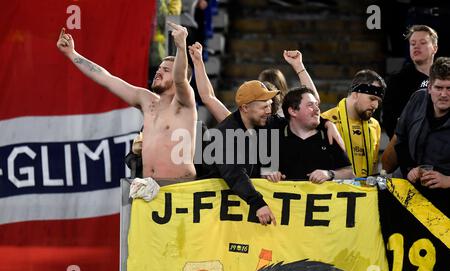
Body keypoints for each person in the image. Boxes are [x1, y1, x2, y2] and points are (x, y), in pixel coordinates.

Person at [188, 42, 343, 226]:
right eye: (264, 105)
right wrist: (258, 203)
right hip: (218, 214)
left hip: (248, 209)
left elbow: (306, 110)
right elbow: (235, 174)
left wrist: (325, 124)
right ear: (245, 108)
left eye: (270, 104)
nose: (269, 109)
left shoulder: (267, 122)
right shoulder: (226, 133)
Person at [57, 22, 197, 180]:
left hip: (180, 190)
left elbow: (180, 78)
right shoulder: (146, 100)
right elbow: (106, 79)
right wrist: (72, 54)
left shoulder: (184, 103)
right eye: (159, 68)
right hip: (148, 189)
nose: (159, 71)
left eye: (165, 70)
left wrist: (180, 47)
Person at [395, 57, 450, 215]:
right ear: (429, 87)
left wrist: (447, 181)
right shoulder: (417, 99)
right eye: (439, 88)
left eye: (449, 88)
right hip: (413, 188)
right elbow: (401, 141)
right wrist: (409, 169)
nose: (444, 94)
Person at [264, 87, 354, 183]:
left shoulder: (329, 136)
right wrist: (271, 175)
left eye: (317, 105)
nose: (317, 109)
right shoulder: (275, 137)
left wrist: (330, 174)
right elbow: (264, 173)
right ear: (293, 111)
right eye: (310, 105)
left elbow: (350, 173)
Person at [381, 25, 438, 174]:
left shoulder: (445, 78)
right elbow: (388, 118)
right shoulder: (397, 80)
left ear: (435, 48)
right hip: (408, 150)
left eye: (423, 43)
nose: (416, 47)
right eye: (413, 44)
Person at [322, 70, 386, 178]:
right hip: (334, 192)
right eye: (372, 98)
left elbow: (374, 167)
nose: (375, 105)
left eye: (378, 101)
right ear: (356, 94)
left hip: (366, 193)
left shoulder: (374, 126)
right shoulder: (326, 121)